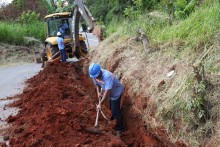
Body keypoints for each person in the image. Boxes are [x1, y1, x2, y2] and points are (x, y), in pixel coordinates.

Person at [89, 63, 125, 134]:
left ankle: (120, 128)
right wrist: (98, 93)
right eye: (94, 77)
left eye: (96, 76)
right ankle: (113, 118)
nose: (95, 78)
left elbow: (107, 92)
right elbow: (97, 85)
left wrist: (100, 104)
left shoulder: (107, 76)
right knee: (111, 107)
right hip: (111, 93)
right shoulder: (95, 75)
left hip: (116, 93)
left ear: (100, 72)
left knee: (115, 111)